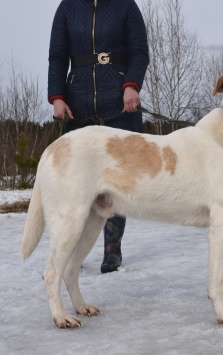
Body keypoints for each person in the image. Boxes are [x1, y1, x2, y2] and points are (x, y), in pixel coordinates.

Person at [47, 0, 149, 273]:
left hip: (120, 104)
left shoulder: (126, 6)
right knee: (77, 182)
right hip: (77, 103)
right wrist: (57, 96)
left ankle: (112, 249)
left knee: (118, 180)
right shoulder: (67, 7)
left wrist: (131, 85)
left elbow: (140, 53)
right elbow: (57, 55)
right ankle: (73, 250)